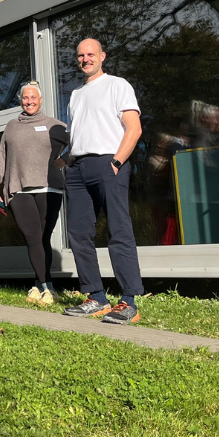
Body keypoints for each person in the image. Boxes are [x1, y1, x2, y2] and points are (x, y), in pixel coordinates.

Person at [62, 38, 144, 325]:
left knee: (119, 231)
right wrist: (67, 163)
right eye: (81, 55)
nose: (85, 59)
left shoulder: (117, 85)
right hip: (78, 169)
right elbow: (79, 134)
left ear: (102, 56)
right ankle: (95, 297)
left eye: (91, 54)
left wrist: (117, 162)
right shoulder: (75, 95)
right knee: (79, 235)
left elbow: (134, 128)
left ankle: (129, 301)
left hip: (108, 163)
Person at [0, 81, 69, 306]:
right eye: (25, 97)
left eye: (33, 97)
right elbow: (2, 158)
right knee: (32, 236)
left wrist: (63, 160)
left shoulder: (54, 125)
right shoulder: (12, 126)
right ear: (20, 100)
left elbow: (79, 142)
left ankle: (40, 285)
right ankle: (47, 288)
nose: (29, 101)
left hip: (48, 188)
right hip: (18, 188)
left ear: (40, 100)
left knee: (42, 238)